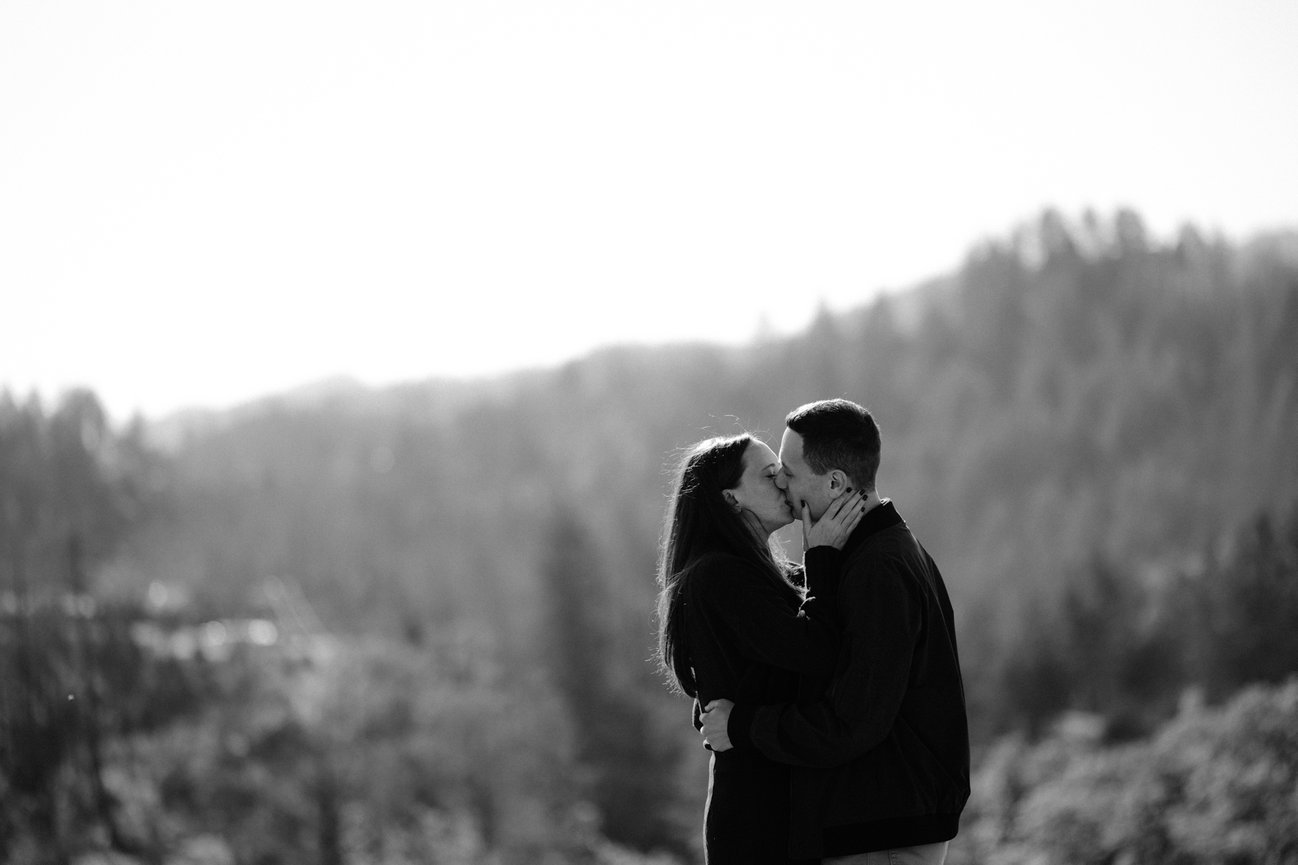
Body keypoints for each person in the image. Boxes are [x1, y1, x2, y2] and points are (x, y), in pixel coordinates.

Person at [700, 400, 970, 865]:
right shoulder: (874, 551)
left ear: (835, 482)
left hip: (882, 829)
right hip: (881, 819)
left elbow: (851, 721)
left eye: (787, 470)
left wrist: (743, 725)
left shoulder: (877, 568)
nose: (780, 480)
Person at [656, 432, 868, 864]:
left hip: (784, 806)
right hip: (758, 820)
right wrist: (823, 556)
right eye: (772, 476)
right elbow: (818, 654)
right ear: (731, 499)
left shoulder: (766, 573)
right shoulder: (718, 576)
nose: (786, 484)